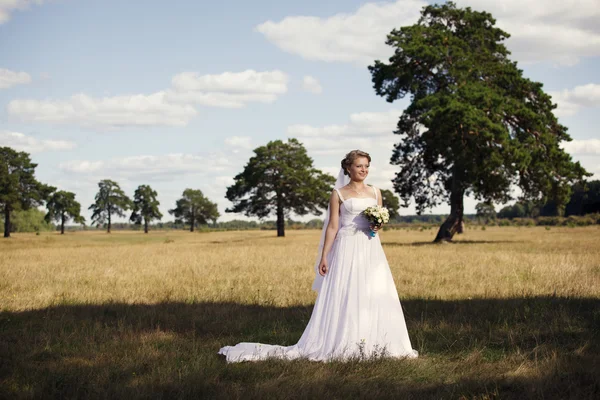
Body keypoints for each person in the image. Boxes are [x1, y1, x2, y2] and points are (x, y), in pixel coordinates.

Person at [218, 150, 418, 362]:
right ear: (348, 168)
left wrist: (377, 226)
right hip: (346, 246)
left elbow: (378, 220)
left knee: (373, 289)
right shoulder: (339, 193)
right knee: (347, 291)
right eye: (359, 166)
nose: (364, 170)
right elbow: (332, 226)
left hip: (370, 247)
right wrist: (325, 256)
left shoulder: (376, 192)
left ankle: (377, 341)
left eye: (367, 166)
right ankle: (344, 340)